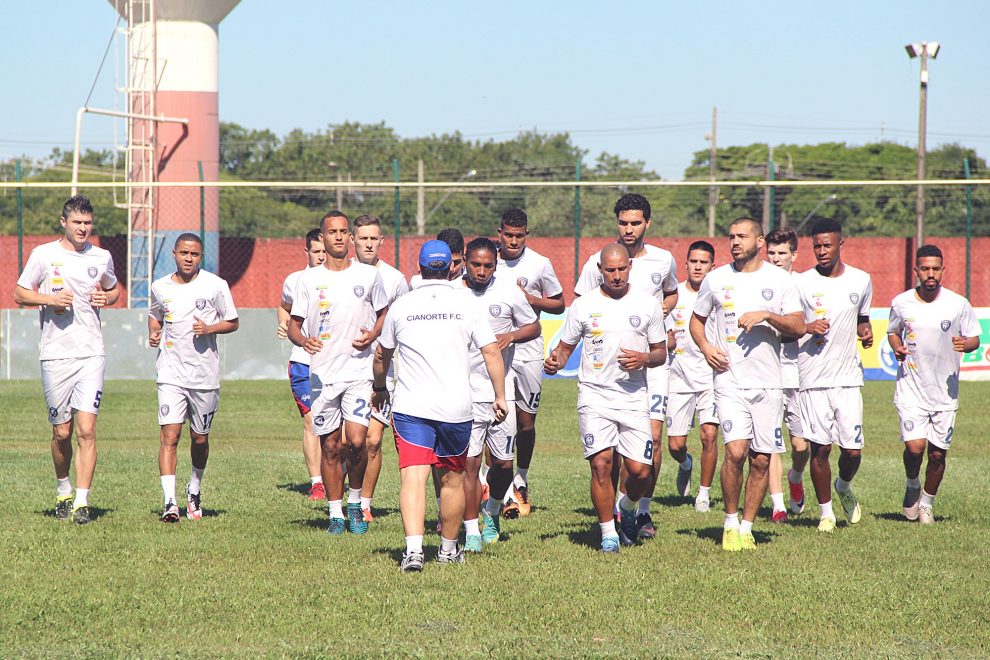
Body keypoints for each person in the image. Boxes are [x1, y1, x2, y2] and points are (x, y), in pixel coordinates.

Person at [372, 240, 508, 572]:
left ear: (418, 268)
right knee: (452, 480)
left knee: (413, 478)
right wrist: (500, 396)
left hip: (411, 408)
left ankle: (414, 552)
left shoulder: (402, 306)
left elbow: (381, 355)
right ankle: (448, 550)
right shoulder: (467, 303)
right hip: (456, 408)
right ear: (452, 267)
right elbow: (491, 352)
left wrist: (379, 387)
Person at [690, 217, 805, 551]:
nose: (734, 241)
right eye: (731, 237)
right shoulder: (715, 279)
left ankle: (747, 526)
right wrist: (707, 348)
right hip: (728, 379)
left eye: (742, 236)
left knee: (761, 459)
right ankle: (729, 523)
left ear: (760, 241)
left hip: (769, 383)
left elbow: (798, 326)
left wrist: (767, 315)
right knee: (736, 451)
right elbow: (696, 321)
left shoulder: (780, 280)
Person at [545, 244, 667, 552]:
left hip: (633, 396)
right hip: (595, 396)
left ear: (630, 268)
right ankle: (608, 533)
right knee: (601, 463)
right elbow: (564, 348)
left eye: (621, 269)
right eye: (609, 270)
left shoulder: (647, 304)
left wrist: (643, 358)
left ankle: (626, 506)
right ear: (600, 270)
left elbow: (660, 352)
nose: (616, 275)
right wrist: (555, 361)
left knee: (641, 471)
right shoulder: (584, 305)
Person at [573, 193, 677, 538]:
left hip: (652, 368)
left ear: (648, 223)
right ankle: (613, 521)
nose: (629, 229)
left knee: (653, 444)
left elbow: (672, 293)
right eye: (623, 223)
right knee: (607, 455)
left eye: (635, 223)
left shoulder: (663, 260)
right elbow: (583, 306)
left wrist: (660, 316)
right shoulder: (595, 262)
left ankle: (639, 511)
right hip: (605, 375)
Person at [14, 195, 119, 524]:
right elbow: (19, 293)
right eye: (78, 223)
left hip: (91, 353)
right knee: (62, 432)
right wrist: (50, 299)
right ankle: (63, 491)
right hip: (56, 354)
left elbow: (114, 290)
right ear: (64, 222)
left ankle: (83, 503)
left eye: (88, 223)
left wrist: (108, 297)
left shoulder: (101, 257)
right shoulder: (43, 255)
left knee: (87, 430)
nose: (83, 228)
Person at [287, 210, 388, 536]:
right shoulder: (309, 279)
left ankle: (355, 503)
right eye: (333, 232)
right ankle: (335, 513)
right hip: (322, 375)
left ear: (350, 236)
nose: (340, 237)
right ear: (323, 236)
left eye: (344, 231)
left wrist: (373, 335)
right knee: (330, 446)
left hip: (359, 372)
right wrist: (304, 340)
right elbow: (294, 325)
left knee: (357, 442)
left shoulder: (369, 277)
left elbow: (386, 312)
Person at [148, 234, 239, 522]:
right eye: (184, 253)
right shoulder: (159, 286)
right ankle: (170, 503)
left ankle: (194, 489)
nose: (189, 258)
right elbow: (155, 314)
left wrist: (210, 328)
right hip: (170, 373)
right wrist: (153, 331)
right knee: (169, 435)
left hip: (204, 376)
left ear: (201, 256)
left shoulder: (215, 285)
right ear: (174, 254)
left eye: (195, 254)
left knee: (199, 439)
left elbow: (233, 321)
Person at [888, 244, 980, 524]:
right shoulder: (902, 302)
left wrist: (966, 344)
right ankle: (912, 483)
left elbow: (975, 337)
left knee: (938, 454)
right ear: (916, 270)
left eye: (935, 268)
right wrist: (897, 346)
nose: (930, 274)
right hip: (911, 388)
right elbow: (892, 331)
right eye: (925, 268)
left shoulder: (958, 303)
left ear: (943, 270)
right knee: (915, 447)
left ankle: (927, 503)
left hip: (945, 392)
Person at [460, 237, 540, 552]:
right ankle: (471, 530)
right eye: (475, 264)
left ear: (496, 264)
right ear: (465, 261)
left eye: (488, 265)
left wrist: (511, 335)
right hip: (463, 392)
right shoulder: (454, 294)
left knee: (504, 465)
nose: (481, 271)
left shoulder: (507, 292)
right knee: (469, 464)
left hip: (499, 392)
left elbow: (533, 327)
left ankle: (492, 511)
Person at [796, 219, 873, 533]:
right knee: (821, 449)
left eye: (828, 245)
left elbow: (863, 318)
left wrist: (865, 331)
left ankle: (843, 484)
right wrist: (808, 327)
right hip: (812, 378)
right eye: (817, 246)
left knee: (852, 451)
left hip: (848, 378)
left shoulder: (861, 280)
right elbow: (789, 325)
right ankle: (825, 513)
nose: (822, 251)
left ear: (841, 244)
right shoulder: (800, 283)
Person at [495, 208, 564, 516]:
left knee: (525, 423)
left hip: (530, 350)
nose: (513, 241)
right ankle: (502, 488)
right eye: (508, 235)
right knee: (498, 417)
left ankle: (521, 477)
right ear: (499, 233)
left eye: (519, 236)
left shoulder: (539, 264)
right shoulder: (487, 260)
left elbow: (559, 303)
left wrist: (532, 300)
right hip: (496, 351)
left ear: (526, 234)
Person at [352, 214, 410, 524]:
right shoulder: (339, 275)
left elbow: (403, 324)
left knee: (373, 440)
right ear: (353, 241)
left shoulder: (395, 279)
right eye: (363, 238)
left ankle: (364, 503)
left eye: (374, 238)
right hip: (345, 368)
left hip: (382, 370)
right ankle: (347, 497)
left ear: (382, 241)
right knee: (351, 442)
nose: (369, 243)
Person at [665, 241, 720, 512]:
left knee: (710, 435)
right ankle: (686, 464)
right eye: (693, 261)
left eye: (704, 262)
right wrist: (667, 342)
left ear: (713, 266)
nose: (698, 266)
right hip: (679, 378)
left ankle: (703, 495)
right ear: (685, 264)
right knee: (675, 445)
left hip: (712, 379)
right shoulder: (674, 296)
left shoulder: (720, 294)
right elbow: (661, 333)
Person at [277, 228, 327, 501]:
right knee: (311, 421)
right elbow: (284, 306)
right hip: (302, 362)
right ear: (306, 252)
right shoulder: (294, 280)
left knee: (335, 426)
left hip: (334, 363)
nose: (321, 256)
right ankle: (317, 483)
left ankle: (336, 473)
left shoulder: (341, 278)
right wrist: (282, 323)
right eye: (317, 251)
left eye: (324, 250)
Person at [764, 229, 810, 522]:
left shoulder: (804, 285)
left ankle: (796, 475)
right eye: (771, 252)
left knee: (800, 444)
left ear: (794, 255)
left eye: (782, 253)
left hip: (799, 370)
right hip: (767, 371)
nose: (776, 258)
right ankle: (778, 504)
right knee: (770, 442)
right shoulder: (757, 283)